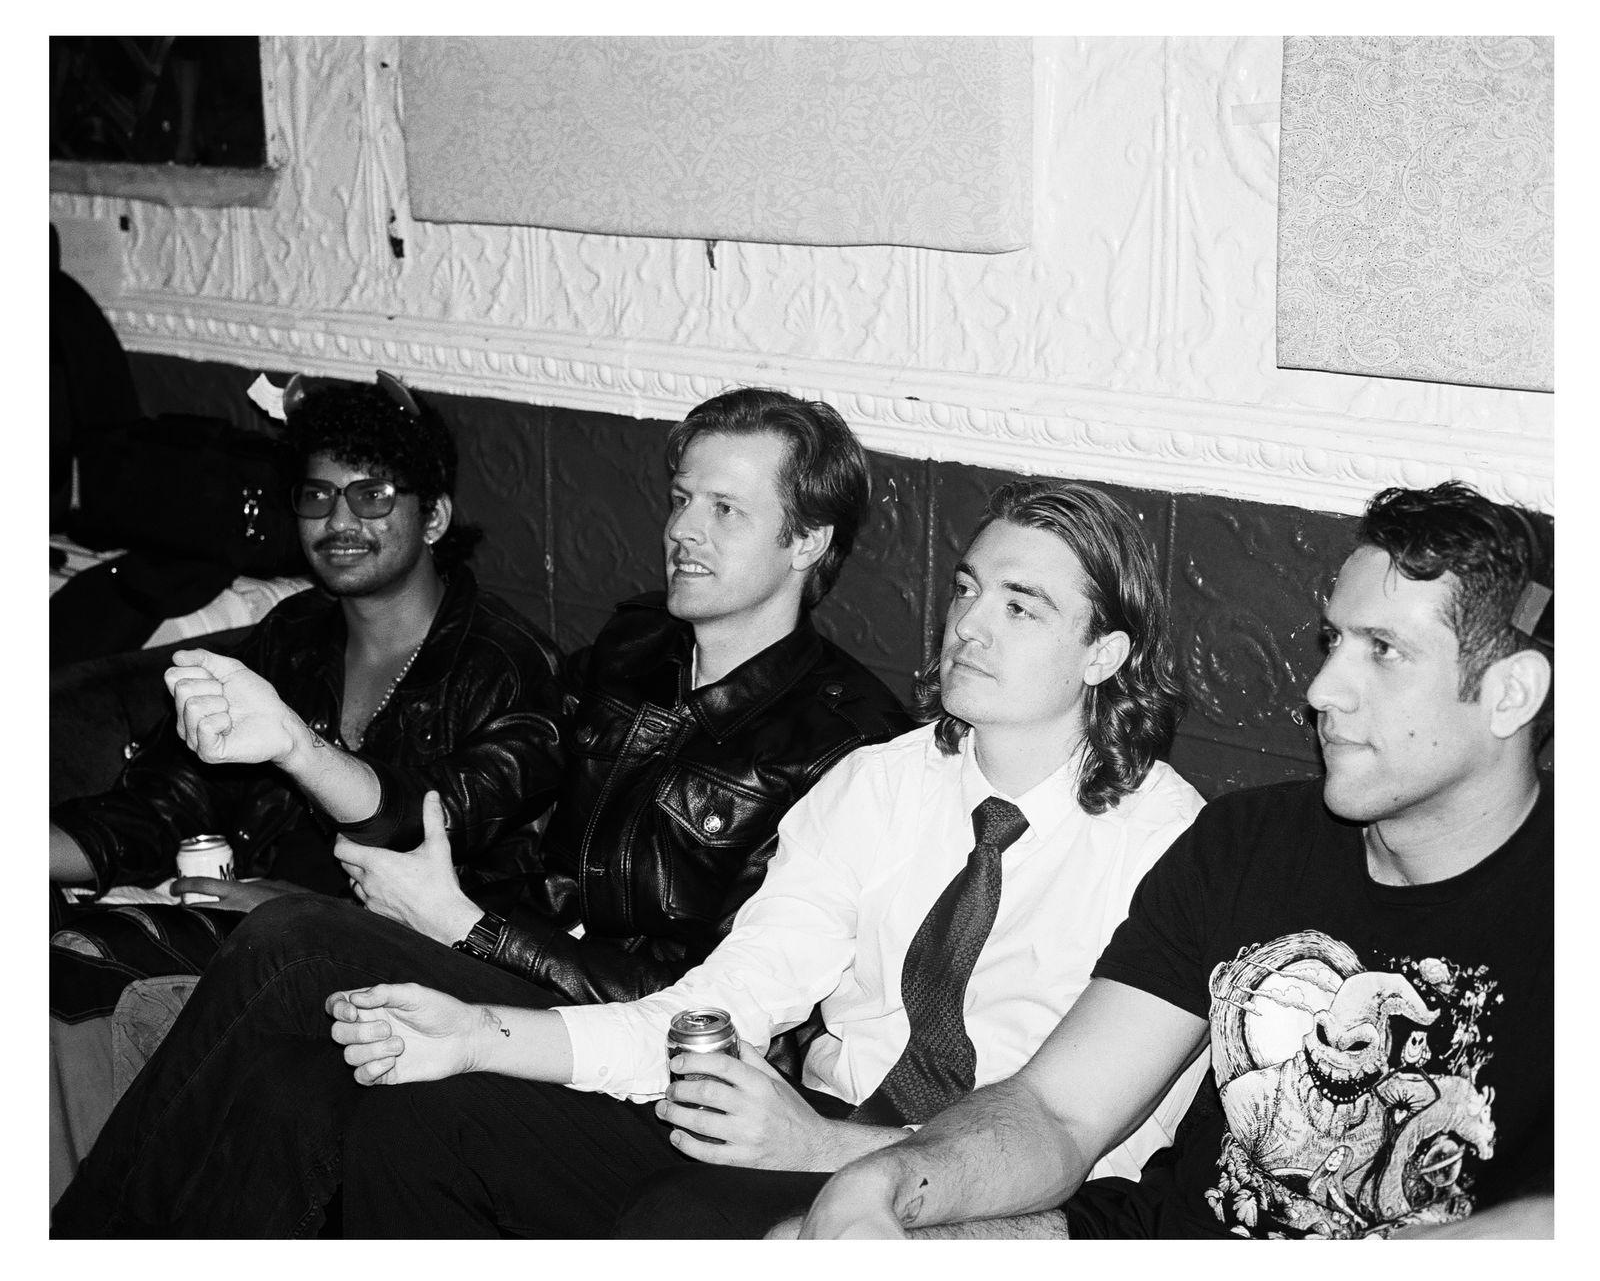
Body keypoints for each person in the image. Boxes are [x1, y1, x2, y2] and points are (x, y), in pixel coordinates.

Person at [51, 385, 910, 1236]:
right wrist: (298, 749)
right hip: (516, 976)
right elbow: (465, 793)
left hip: (643, 1061)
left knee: (293, 941)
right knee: (295, 1082)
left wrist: (467, 927)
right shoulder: (637, 644)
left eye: (726, 510)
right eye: (682, 498)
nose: (683, 529)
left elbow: (710, 1009)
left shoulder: (846, 745)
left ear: (808, 540)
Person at [303, 477, 1209, 1241]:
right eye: (966, 590)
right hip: (813, 1127)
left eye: (1020, 607)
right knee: (427, 1119)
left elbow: (1102, 1140)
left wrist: (827, 1149)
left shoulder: (1173, 846)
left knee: (681, 1220)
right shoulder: (879, 784)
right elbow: (728, 998)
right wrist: (478, 1034)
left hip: (1009, 1196)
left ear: (1104, 654)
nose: (969, 624)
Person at [793, 481, 1554, 1241]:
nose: (1323, 690)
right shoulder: (1247, 843)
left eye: (1384, 652)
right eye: (1333, 642)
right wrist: (888, 1181)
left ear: (1511, 694)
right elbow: (1059, 1113)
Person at [48, 372, 565, 1201]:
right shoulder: (292, 638)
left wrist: (303, 869)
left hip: (408, 967)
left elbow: (436, 832)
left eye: (372, 495)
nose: (339, 521)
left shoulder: (505, 666)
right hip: (237, 923)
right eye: (318, 496)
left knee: (83, 993)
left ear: (434, 518)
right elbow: (162, 804)